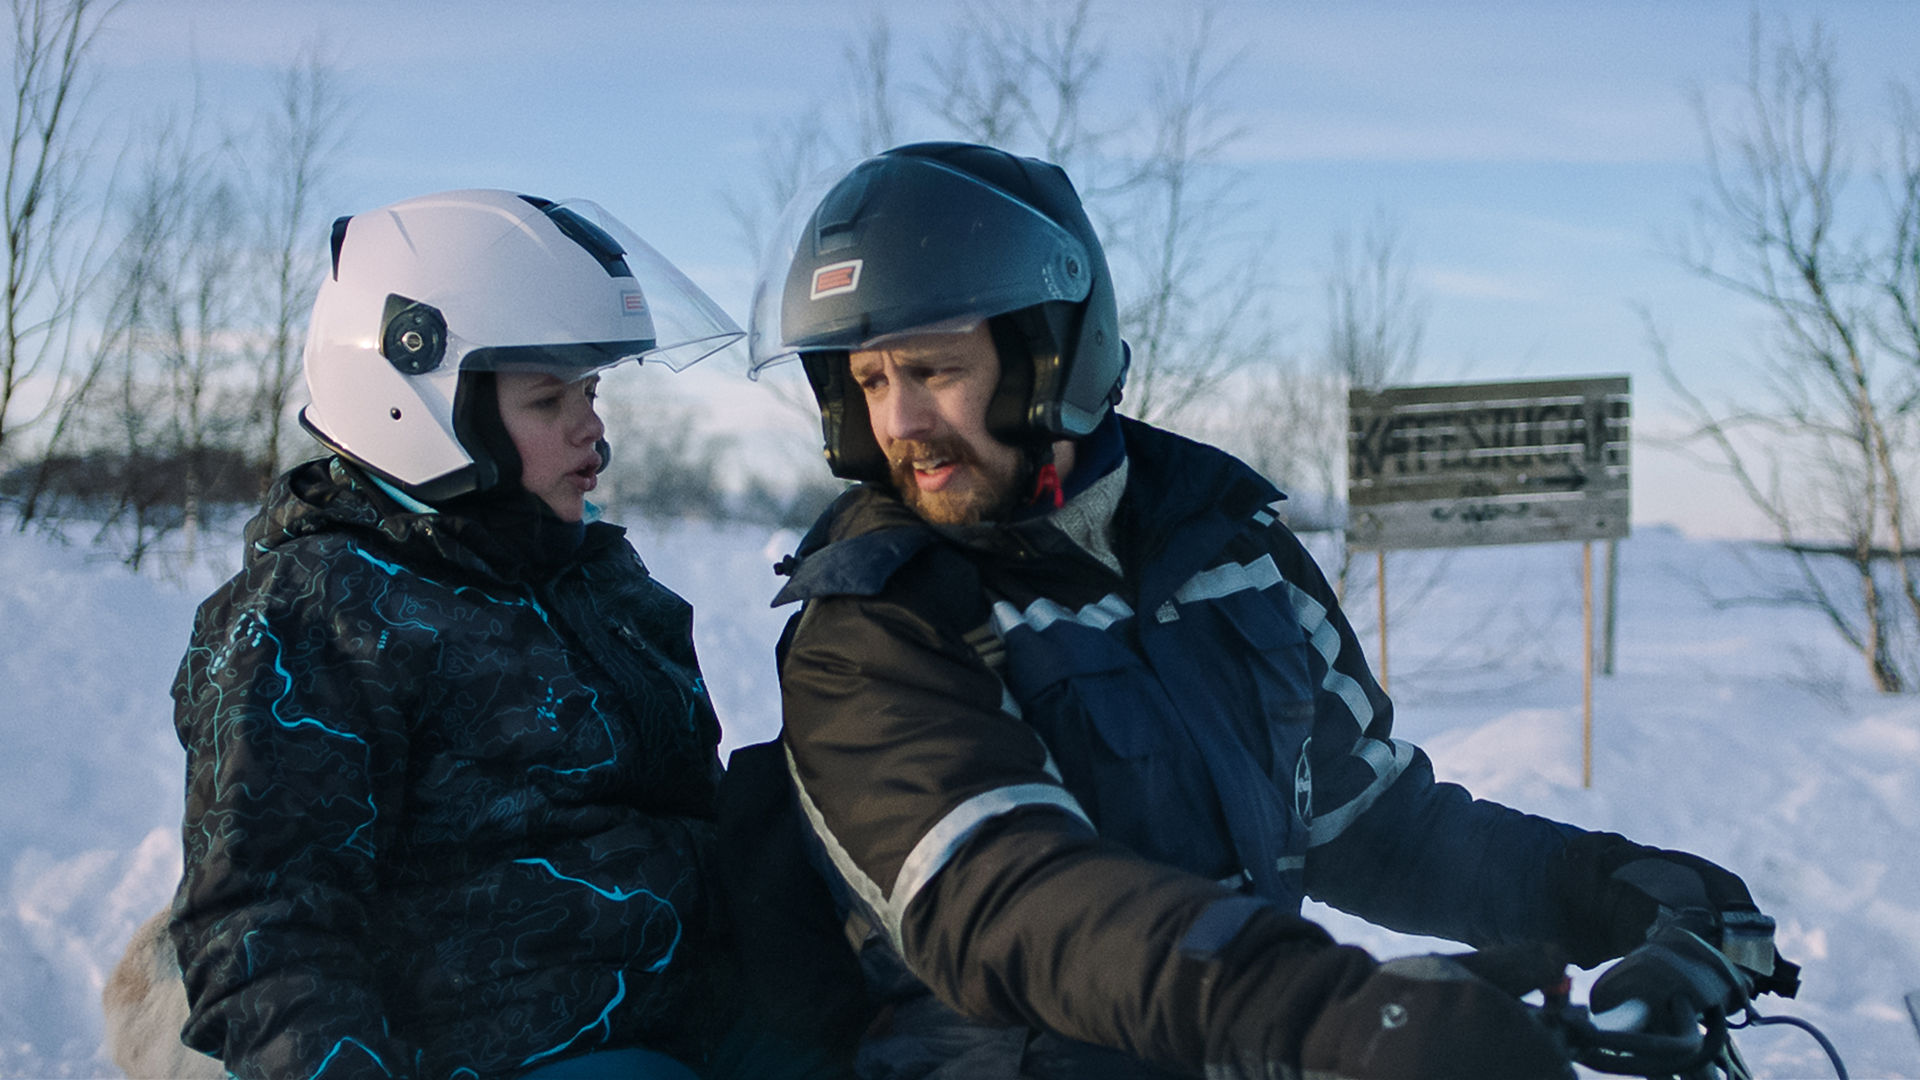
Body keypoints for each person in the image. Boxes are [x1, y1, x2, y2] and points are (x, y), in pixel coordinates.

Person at [739, 142, 1799, 1079]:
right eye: (868, 383)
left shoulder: (1228, 553)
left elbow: (1373, 825)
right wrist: (1341, 1015)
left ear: (1051, 354)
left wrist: (1601, 888)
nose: (899, 422)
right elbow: (1008, 898)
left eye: (932, 369)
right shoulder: (872, 629)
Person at [169, 189, 743, 1080]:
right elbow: (266, 929)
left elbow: (699, 815)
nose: (593, 430)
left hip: (714, 1018)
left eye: (590, 392)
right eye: (548, 399)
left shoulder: (598, 583)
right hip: (523, 1053)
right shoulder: (317, 616)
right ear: (417, 404)